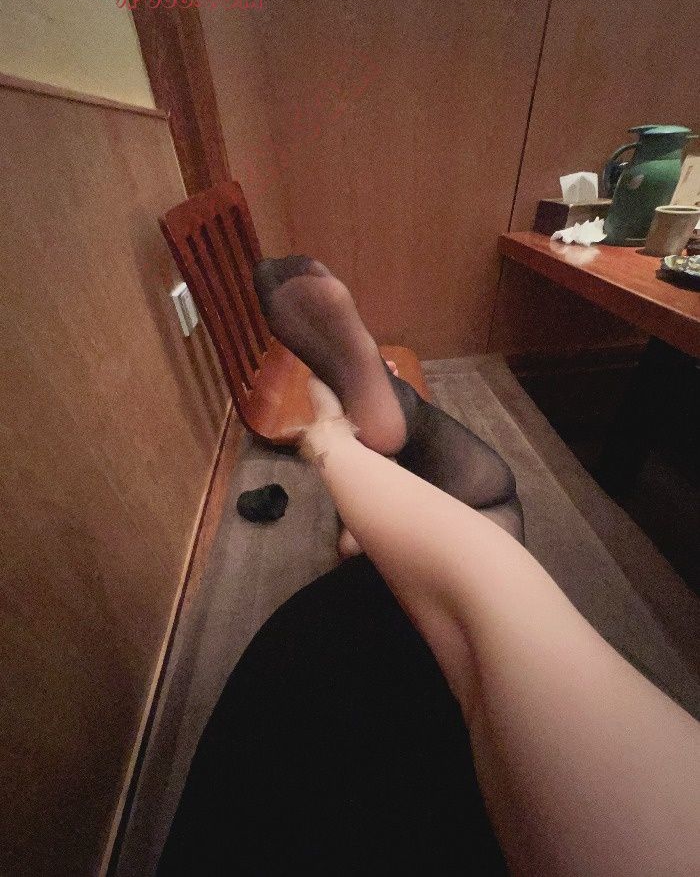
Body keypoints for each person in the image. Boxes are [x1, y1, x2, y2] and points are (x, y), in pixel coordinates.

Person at [158, 257, 699, 876]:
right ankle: (380, 446)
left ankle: (341, 438)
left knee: (485, 572)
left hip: (307, 753)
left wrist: (329, 435)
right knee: (484, 517)